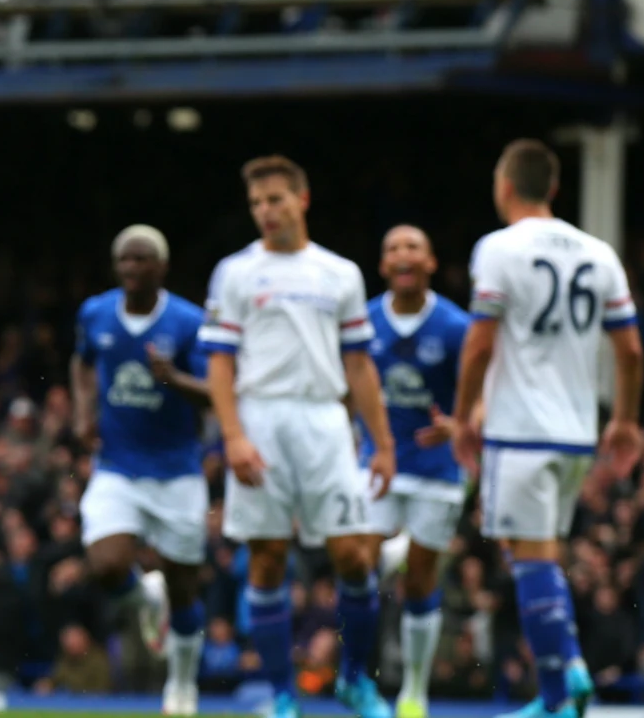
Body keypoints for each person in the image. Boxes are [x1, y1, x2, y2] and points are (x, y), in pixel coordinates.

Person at [452, 139, 643, 718]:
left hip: (520, 431)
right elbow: (631, 350)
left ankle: (561, 695)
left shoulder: (499, 248)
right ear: (553, 188)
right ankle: (569, 672)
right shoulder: (599, 252)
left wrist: (463, 417)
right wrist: (628, 421)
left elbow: (480, 343)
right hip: (576, 435)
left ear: (504, 186)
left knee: (529, 558)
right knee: (533, 551)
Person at [201, 156, 395, 718]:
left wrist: (382, 443)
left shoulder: (340, 273)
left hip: (324, 420)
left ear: (301, 200)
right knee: (265, 561)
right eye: (258, 203)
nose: (266, 211)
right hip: (259, 418)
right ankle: (284, 694)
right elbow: (220, 364)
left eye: (276, 200)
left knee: (356, 555)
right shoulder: (235, 272)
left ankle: (356, 681)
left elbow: (359, 366)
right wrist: (233, 436)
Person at [70, 225, 210, 715]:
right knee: (106, 566)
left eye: (142, 259)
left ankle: (183, 683)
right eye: (124, 259)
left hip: (177, 471)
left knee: (185, 586)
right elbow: (83, 363)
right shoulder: (96, 312)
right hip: (118, 467)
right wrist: (83, 412)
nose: (131, 267)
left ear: (162, 267)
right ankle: (145, 598)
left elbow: (218, 393)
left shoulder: (190, 322)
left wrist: (174, 379)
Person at [355, 226, 470, 718]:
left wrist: (461, 424)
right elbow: (348, 383)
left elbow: (482, 389)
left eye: (413, 248)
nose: (403, 255)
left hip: (437, 470)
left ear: (429, 263)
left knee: (420, 581)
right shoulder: (362, 322)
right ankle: (354, 675)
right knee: (358, 564)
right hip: (377, 465)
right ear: (383, 266)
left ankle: (414, 691)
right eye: (393, 249)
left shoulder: (455, 326)